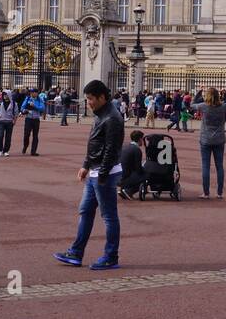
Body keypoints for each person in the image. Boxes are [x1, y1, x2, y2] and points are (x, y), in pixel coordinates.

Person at [54, 80, 124, 270]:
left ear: (102, 97)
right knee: (85, 211)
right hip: (96, 170)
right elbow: (94, 143)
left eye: (91, 99)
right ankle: (76, 252)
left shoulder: (112, 118)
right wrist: (86, 164)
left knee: (109, 217)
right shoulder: (101, 114)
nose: (89, 102)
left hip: (105, 173)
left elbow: (111, 149)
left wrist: (101, 174)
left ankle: (111, 256)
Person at [191, 87, 226, 199]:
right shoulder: (223, 107)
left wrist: (199, 92)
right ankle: (219, 193)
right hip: (219, 139)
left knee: (205, 166)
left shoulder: (203, 106)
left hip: (206, 139)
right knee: (219, 166)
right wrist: (225, 94)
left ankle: (206, 193)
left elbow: (192, 104)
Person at [118, 130, 145, 199]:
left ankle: (123, 190)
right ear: (140, 139)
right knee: (147, 175)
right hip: (125, 178)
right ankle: (129, 191)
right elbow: (138, 169)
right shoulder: (137, 150)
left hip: (117, 176)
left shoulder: (124, 147)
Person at [0, 90, 18, 157]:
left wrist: (14, 121)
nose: (5, 96)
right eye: (4, 94)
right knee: (0, 136)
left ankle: (6, 150)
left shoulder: (14, 104)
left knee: (8, 137)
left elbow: (16, 114)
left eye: (6, 94)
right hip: (1, 121)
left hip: (9, 122)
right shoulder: (0, 103)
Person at [20, 86, 45, 155]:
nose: (32, 93)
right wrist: (24, 110)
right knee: (26, 135)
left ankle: (33, 151)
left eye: (33, 92)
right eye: (31, 92)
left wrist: (34, 106)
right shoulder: (28, 98)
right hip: (28, 119)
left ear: (36, 93)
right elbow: (22, 107)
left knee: (35, 136)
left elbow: (42, 108)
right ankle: (25, 146)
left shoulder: (40, 100)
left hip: (36, 119)